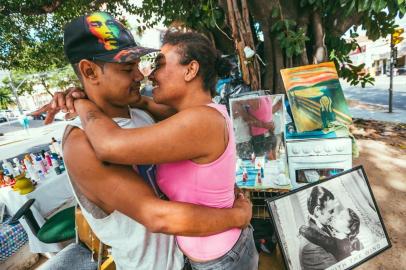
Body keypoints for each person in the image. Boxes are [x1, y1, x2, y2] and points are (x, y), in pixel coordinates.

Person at [60, 12, 252, 270]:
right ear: (88, 70)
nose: (142, 75)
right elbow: (157, 215)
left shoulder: (144, 114)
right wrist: (236, 215)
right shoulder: (80, 142)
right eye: (128, 68)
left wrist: (83, 101)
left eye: (142, 65)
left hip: (193, 254)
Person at [299, 186, 337, 270]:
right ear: (317, 211)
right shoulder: (311, 248)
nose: (333, 215)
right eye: (331, 211)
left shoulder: (325, 226)